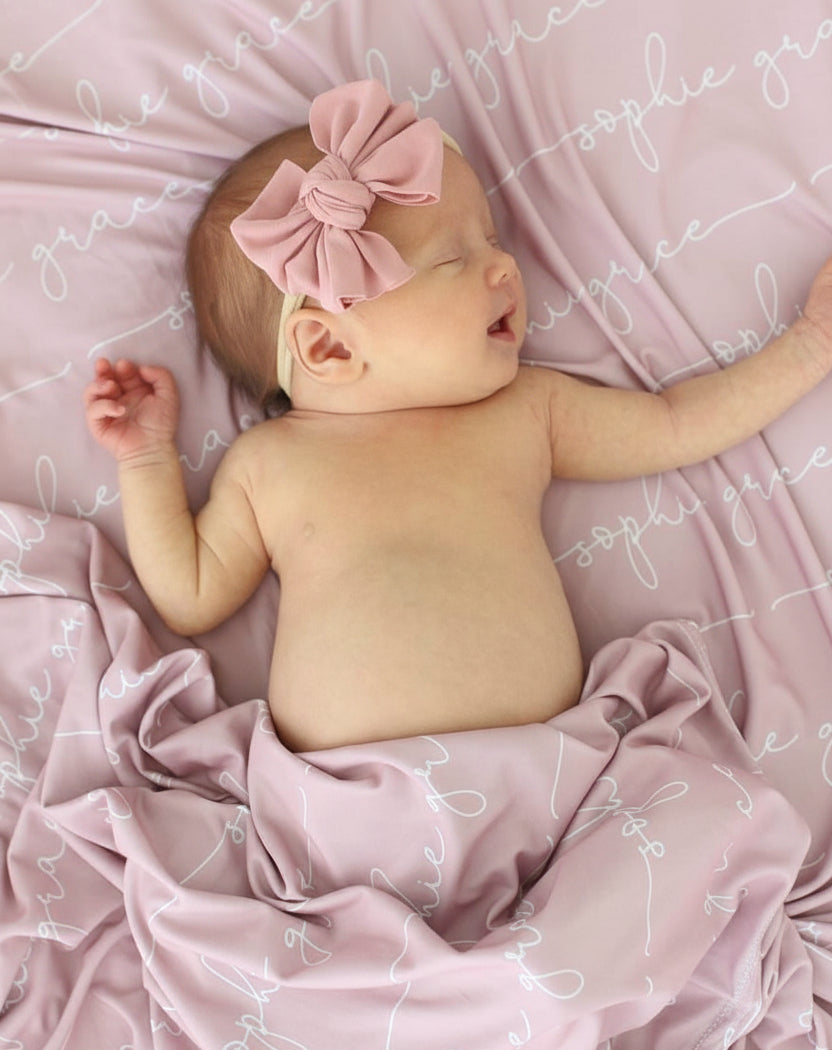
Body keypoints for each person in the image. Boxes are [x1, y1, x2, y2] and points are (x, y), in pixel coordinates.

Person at [84, 80, 832, 752]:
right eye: (452, 259)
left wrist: (811, 343)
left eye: (492, 240)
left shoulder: (523, 411)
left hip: (552, 782)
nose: (505, 267)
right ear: (328, 346)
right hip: (353, 807)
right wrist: (146, 459)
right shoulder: (269, 465)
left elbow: (673, 425)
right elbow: (190, 597)